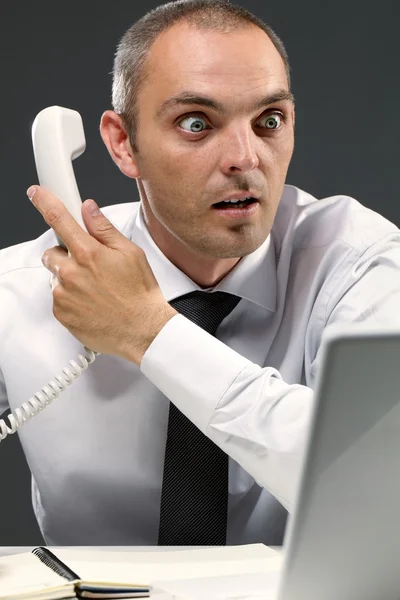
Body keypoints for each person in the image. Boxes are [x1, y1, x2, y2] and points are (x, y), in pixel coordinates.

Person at [1, 0, 399, 547]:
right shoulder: (22, 286)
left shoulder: (355, 263)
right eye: (196, 124)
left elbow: (376, 486)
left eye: (269, 121)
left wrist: (151, 333)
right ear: (123, 143)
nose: (245, 157)